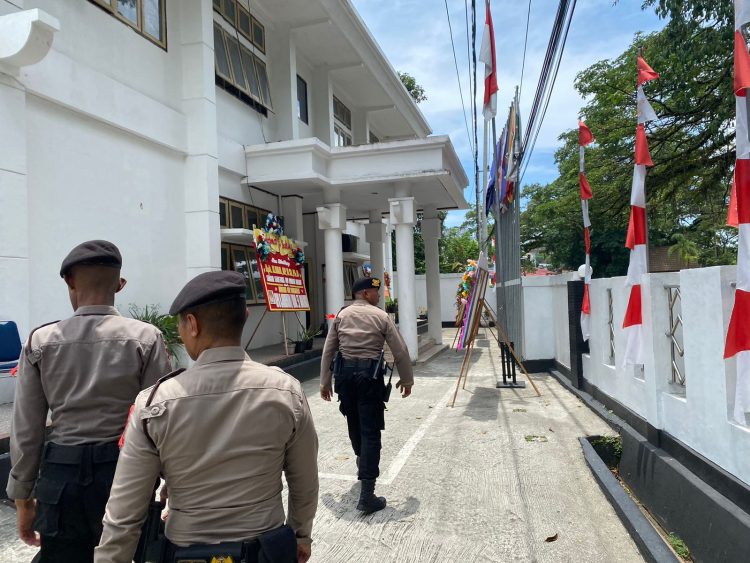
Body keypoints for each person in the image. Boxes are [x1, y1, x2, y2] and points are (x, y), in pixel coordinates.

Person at [95, 271, 319, 563]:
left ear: (193, 324)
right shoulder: (286, 391)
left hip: (186, 553)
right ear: (245, 316)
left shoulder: (154, 403)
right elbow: (305, 482)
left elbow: (124, 511)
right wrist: (300, 536)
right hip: (265, 550)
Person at [7, 239, 172, 563]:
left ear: (69, 280)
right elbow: (161, 422)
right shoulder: (146, 338)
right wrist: (172, 483)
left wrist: (23, 498)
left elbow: (26, 429)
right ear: (120, 285)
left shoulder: (41, 342)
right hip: (127, 476)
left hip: (61, 481)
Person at [319, 277, 414, 513]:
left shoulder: (341, 315)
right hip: (369, 379)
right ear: (364, 293)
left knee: (353, 422)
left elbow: (329, 349)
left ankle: (362, 461)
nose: (378, 296)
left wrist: (324, 382)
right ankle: (367, 494)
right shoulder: (381, 316)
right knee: (371, 431)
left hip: (345, 379)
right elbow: (400, 349)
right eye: (375, 291)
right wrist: (407, 378)